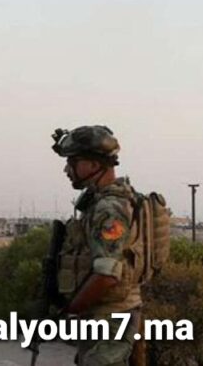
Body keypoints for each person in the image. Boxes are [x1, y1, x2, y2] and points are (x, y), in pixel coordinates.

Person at [51, 125, 144, 366]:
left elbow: (107, 275)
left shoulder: (110, 209)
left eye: (73, 162)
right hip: (102, 316)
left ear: (94, 165)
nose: (67, 169)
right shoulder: (99, 203)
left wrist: (71, 309)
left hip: (112, 318)